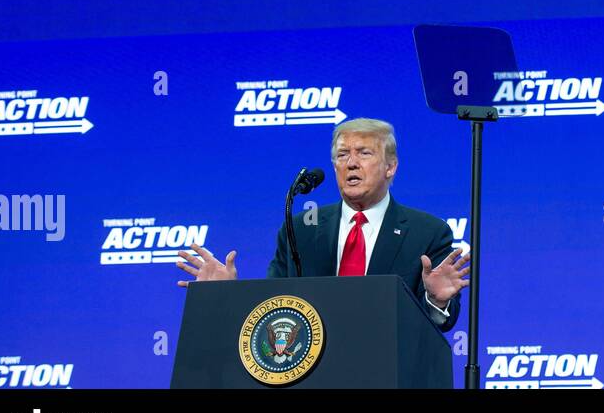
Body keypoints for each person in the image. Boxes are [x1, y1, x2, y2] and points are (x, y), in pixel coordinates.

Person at [176, 117, 468, 331]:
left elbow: (439, 323)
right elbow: (274, 307)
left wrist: (435, 300)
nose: (351, 163)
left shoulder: (427, 232)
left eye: (364, 153)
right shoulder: (301, 229)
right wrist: (228, 295)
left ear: (390, 167)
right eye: (342, 155)